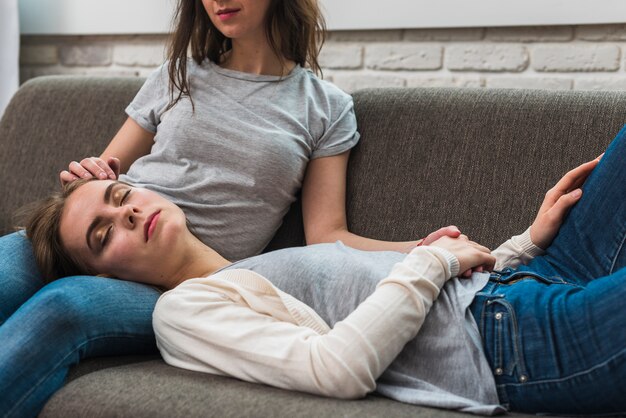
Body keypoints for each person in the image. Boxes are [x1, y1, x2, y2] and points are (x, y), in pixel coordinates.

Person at [0, 0, 459, 415]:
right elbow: (109, 181)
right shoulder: (177, 74)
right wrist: (88, 176)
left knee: (66, 305)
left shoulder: (326, 108)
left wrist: (423, 248)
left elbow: (327, 234)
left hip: (177, 283)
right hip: (115, 237)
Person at [22, 127, 626, 415]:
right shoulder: (182, 313)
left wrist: (526, 241)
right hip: (508, 344)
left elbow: (443, 287)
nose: (127, 215)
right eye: (103, 235)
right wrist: (431, 258)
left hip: (534, 276)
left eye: (122, 195)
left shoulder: (254, 270)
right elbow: (336, 369)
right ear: (103, 280)